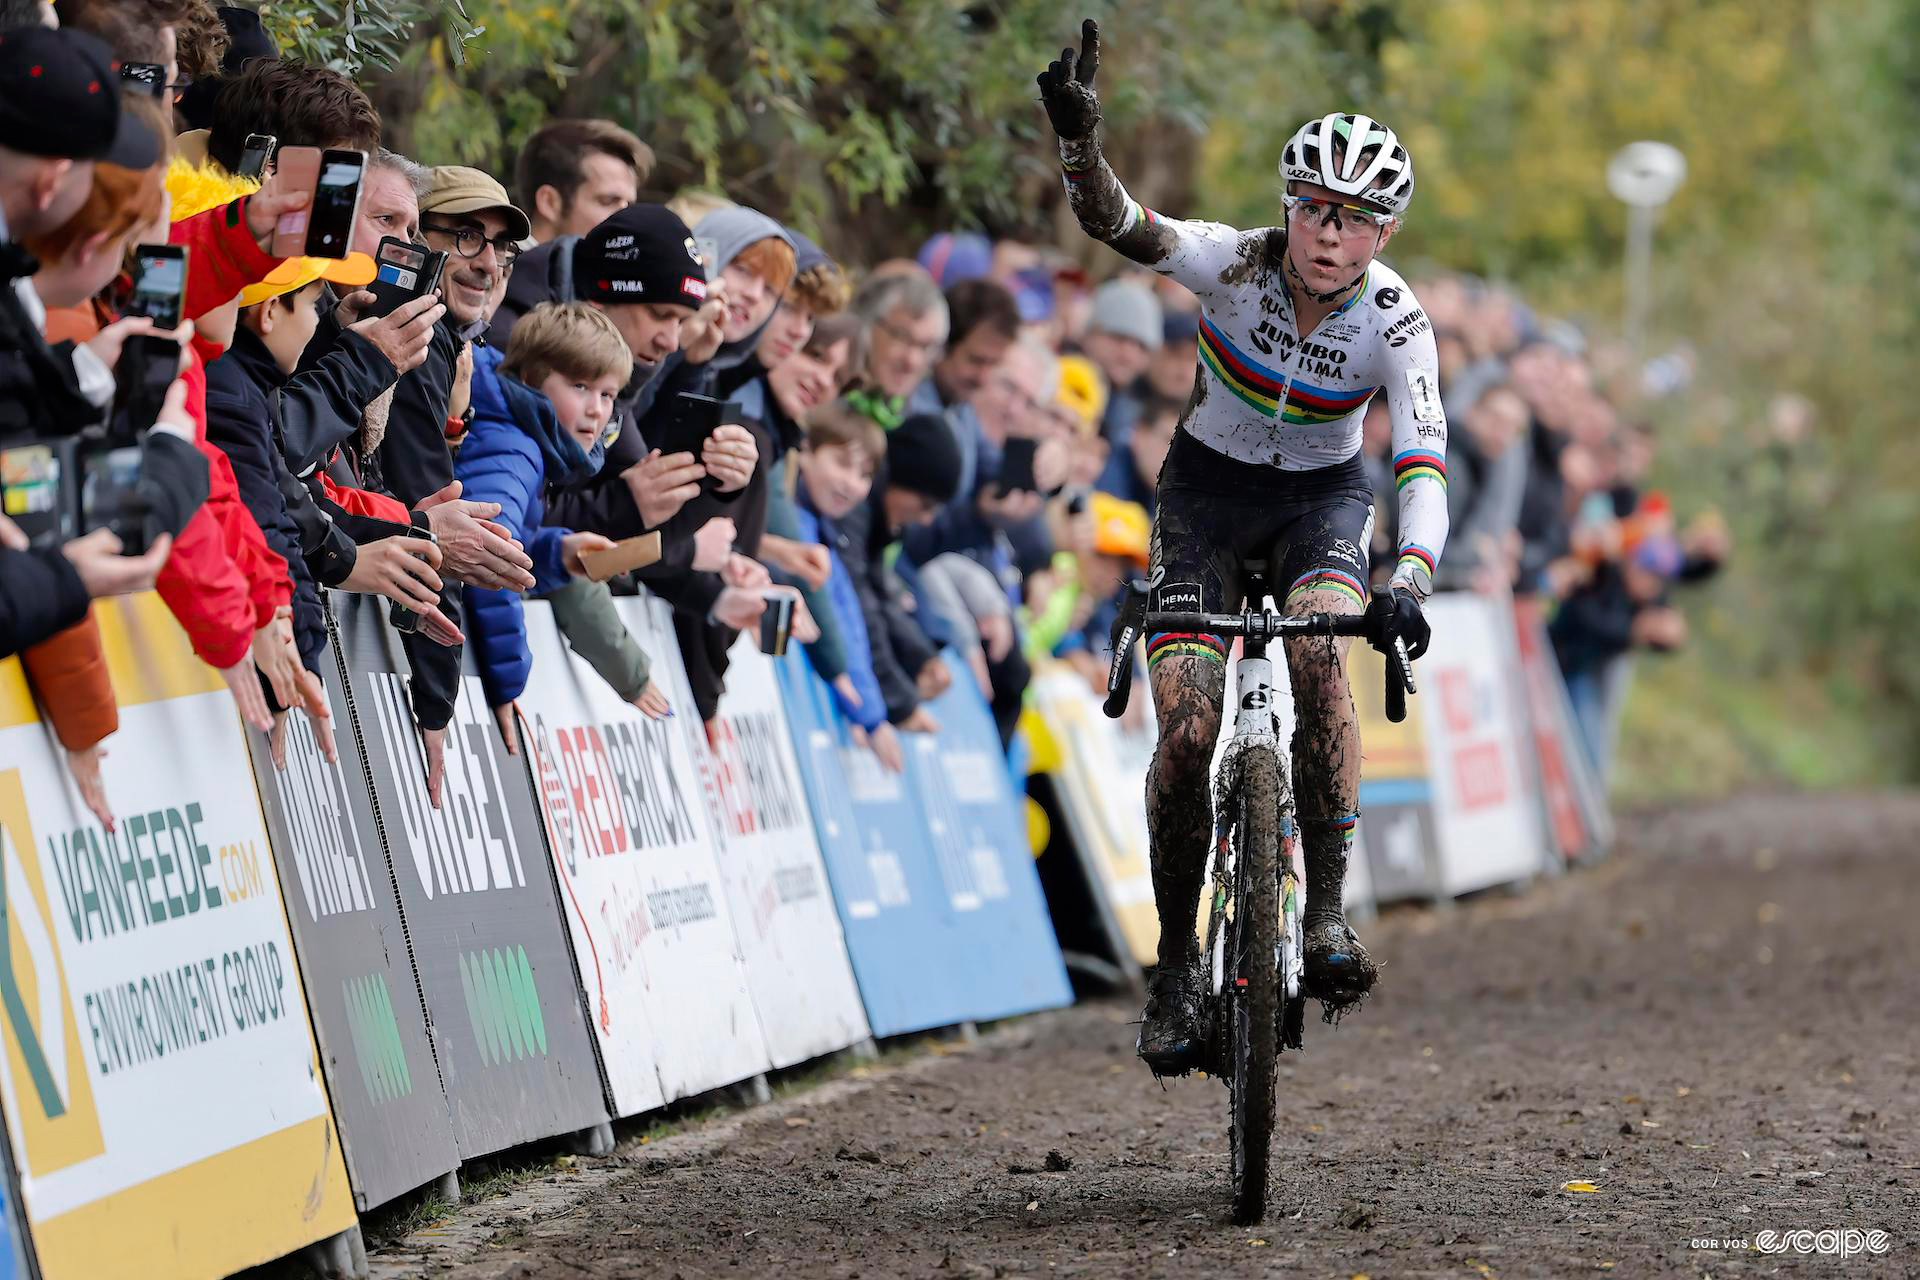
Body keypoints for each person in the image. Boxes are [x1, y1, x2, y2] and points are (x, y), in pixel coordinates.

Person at [1038, 21, 1447, 1067]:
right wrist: (1082, 147)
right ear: (1287, 207)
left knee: (1322, 657)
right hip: (1205, 503)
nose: (1327, 233)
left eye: (1355, 220)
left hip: (1321, 504)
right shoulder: (1233, 264)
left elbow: (1423, 460)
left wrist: (1409, 575)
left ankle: (1327, 915)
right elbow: (1123, 226)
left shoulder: (1397, 324)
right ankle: (1176, 967)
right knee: (1183, 732)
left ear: (1382, 238)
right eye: (1313, 206)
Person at [514, 118, 650, 244]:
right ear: (549, 202)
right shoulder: (500, 268)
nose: (628, 221)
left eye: (629, 207)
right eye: (607, 201)